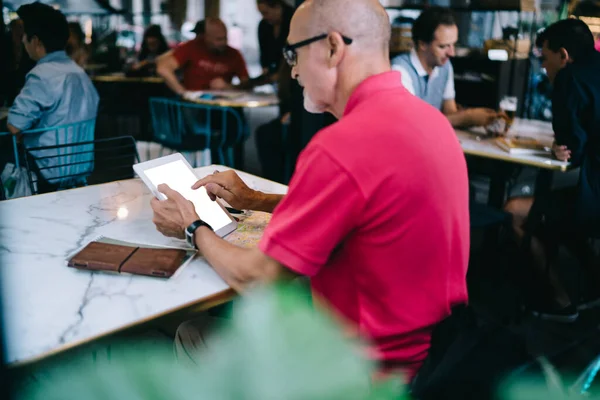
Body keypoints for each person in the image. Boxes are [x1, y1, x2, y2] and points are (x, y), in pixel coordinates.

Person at [151, 0, 469, 380]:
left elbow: (255, 277)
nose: (293, 69)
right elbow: (362, 209)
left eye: (293, 52)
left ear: (332, 47)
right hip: (433, 355)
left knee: (194, 333)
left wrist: (192, 226)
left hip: (360, 369)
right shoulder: (432, 123)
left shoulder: (343, 145)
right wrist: (254, 199)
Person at [503, 19, 600, 322]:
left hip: (596, 200)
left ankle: (559, 301)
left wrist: (564, 145)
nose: (543, 67)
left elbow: (571, 147)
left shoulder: (569, 79)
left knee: (515, 211)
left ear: (564, 55)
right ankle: (595, 288)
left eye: (545, 58)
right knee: (560, 212)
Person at [6, 3, 99, 191]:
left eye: (25, 36)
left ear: (36, 41)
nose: (23, 41)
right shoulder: (79, 73)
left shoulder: (42, 75)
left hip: (47, 172)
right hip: (79, 168)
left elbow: (14, 126)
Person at [392, 7, 506, 128]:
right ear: (422, 44)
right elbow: (412, 125)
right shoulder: (400, 72)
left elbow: (449, 111)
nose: (452, 53)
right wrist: (468, 118)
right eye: (443, 46)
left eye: (453, 44)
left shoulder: (444, 66)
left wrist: (479, 117)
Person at [156, 17, 249, 95]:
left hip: (223, 103)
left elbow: (247, 83)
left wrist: (229, 87)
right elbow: (163, 68)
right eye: (218, 39)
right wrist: (184, 93)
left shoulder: (233, 54)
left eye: (225, 38)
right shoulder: (191, 47)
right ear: (206, 37)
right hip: (195, 103)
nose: (223, 42)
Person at [257, 0, 294, 76]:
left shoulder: (294, 20)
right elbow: (264, 55)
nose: (264, 17)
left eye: (266, 13)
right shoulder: (263, 26)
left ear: (277, 7)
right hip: (272, 75)